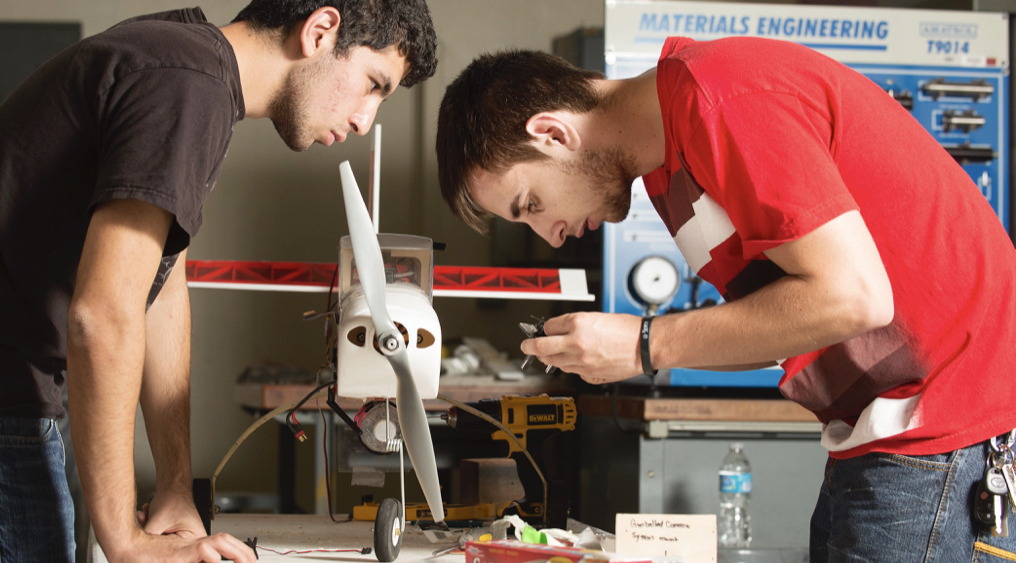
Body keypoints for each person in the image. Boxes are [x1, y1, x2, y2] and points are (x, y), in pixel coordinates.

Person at [0, 1, 436, 561]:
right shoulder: (188, 85)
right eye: (374, 84)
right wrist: (124, 542)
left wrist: (175, 487)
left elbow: (158, 288)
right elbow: (103, 316)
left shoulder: (187, 65)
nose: (365, 120)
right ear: (320, 30)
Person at [434, 38, 1016, 561]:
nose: (548, 234)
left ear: (554, 134)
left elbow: (853, 297)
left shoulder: (721, 100)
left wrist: (643, 343)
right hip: (880, 436)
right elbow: (782, 325)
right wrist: (641, 347)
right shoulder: (667, 166)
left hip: (947, 428)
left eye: (529, 204)